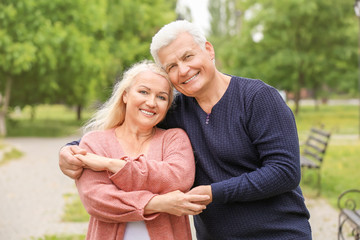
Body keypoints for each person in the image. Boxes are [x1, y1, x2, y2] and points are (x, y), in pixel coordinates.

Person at [60, 20, 312, 239]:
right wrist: (70, 151)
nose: (183, 70)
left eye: (188, 56)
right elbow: (128, 126)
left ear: (208, 50)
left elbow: (285, 171)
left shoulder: (258, 98)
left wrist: (214, 193)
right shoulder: (176, 110)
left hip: (277, 234)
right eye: (171, 66)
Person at [71, 60, 209, 240]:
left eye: (161, 97)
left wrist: (113, 165)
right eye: (143, 92)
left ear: (167, 106)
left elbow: (178, 178)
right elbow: (97, 201)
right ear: (125, 95)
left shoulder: (174, 139)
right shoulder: (95, 142)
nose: (151, 102)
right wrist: (159, 203)